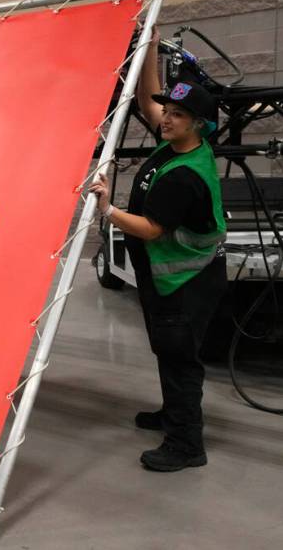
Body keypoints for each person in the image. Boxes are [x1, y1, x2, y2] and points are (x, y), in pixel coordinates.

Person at [89, 29, 226, 472]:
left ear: (198, 125)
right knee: (168, 353)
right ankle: (173, 416)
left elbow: (150, 229)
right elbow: (147, 102)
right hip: (169, 276)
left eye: (177, 114)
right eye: (167, 111)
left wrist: (108, 208)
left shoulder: (184, 175)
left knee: (179, 359)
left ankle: (187, 444)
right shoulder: (177, 144)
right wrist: (149, 48)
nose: (165, 118)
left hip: (184, 281)